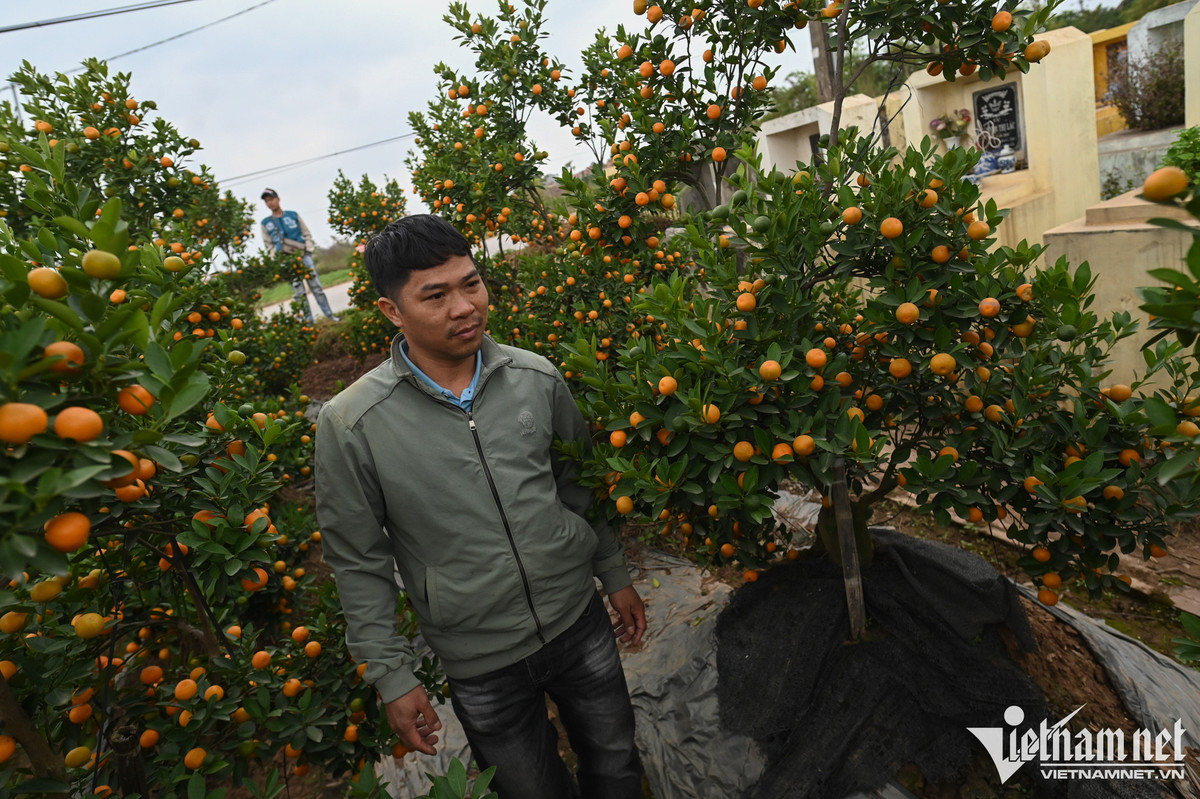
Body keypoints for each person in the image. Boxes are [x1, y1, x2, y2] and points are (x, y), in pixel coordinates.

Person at [314, 214, 646, 799]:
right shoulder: (354, 424)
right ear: (393, 311)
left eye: (471, 284)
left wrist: (613, 574)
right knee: (530, 790)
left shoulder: (535, 377)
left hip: (579, 621)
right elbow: (358, 560)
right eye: (435, 295)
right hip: (480, 658)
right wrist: (393, 675)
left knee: (616, 763)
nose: (464, 306)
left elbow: (578, 486)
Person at [259, 188, 339, 323]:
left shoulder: (293, 215)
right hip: (286, 260)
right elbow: (268, 245)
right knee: (299, 292)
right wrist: (276, 258)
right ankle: (309, 322)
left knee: (317, 287)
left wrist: (308, 249)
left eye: (271, 199)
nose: (270, 203)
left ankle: (330, 316)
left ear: (278, 199)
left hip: (303, 255)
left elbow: (306, 233)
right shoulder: (266, 223)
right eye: (267, 201)